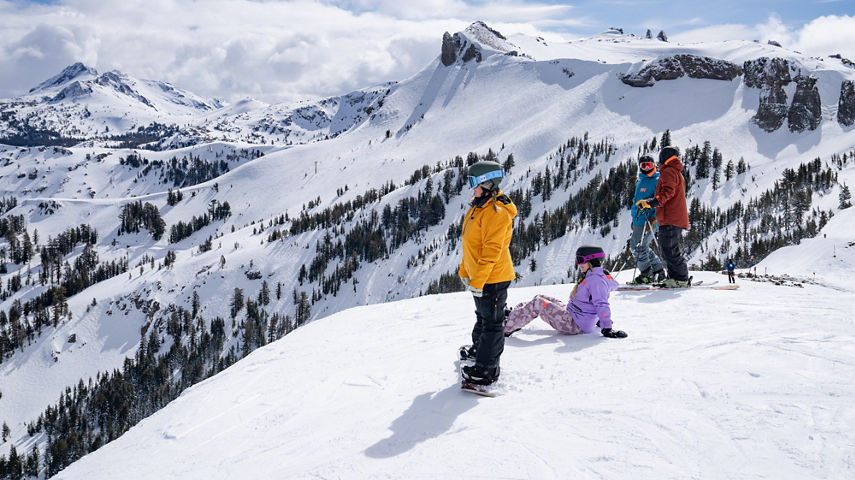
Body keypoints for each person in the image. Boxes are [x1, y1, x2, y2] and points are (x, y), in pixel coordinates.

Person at [458, 160, 517, 386]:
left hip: (493, 278)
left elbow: (492, 250)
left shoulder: (496, 213)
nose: (472, 188)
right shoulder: (477, 207)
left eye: (475, 183)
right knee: (482, 317)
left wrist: (479, 279)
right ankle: (479, 351)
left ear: (488, 184)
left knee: (492, 323)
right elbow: (471, 245)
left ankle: (487, 369)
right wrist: (466, 271)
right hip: (480, 278)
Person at [503, 245, 627, 339]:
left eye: (580, 260)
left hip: (574, 324)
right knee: (540, 297)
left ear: (591, 260)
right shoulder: (593, 276)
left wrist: (607, 328)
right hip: (571, 314)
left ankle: (507, 327)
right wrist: (597, 319)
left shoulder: (596, 280)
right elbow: (594, 300)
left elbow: (601, 303)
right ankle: (514, 315)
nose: (579, 264)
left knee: (538, 303)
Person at [635, 146, 690, 288]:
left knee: (670, 250)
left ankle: (682, 278)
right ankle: (673, 277)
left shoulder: (669, 171)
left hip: (671, 217)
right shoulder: (674, 171)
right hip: (671, 217)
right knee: (667, 249)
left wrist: (652, 203)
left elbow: (668, 192)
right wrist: (649, 203)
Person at [629, 154, 665, 284]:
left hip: (649, 220)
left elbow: (659, 200)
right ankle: (659, 271)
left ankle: (646, 274)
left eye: (648, 165)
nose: (646, 168)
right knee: (642, 246)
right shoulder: (641, 181)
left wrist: (654, 218)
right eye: (643, 165)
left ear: (654, 165)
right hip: (639, 220)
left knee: (636, 246)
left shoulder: (657, 180)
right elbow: (636, 201)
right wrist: (634, 219)